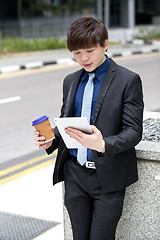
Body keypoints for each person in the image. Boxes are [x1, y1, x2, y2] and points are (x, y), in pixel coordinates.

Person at [34, 16, 144, 240]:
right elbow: (67, 121)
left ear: (105, 44)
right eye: (76, 53)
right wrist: (51, 140)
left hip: (108, 177)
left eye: (89, 51)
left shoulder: (128, 80)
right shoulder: (71, 80)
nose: (83, 59)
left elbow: (134, 131)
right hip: (75, 175)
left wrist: (103, 144)